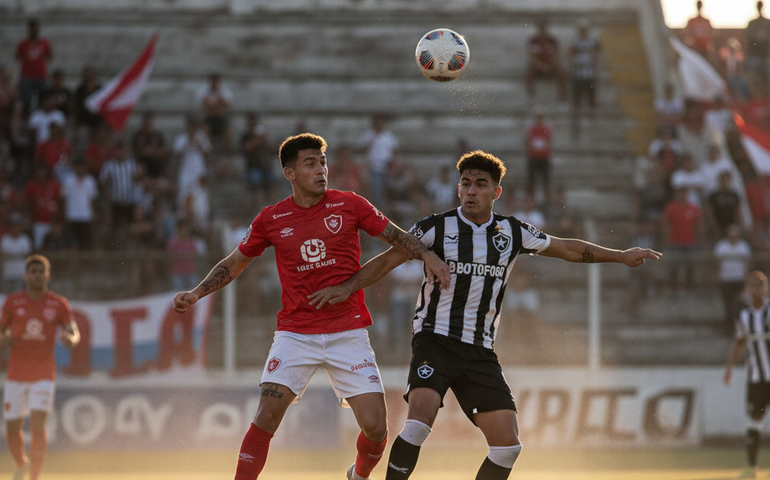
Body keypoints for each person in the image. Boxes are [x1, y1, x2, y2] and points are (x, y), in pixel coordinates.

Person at [308, 150, 660, 480]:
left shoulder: (513, 232)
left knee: (507, 446)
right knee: (418, 423)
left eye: (480, 185)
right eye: (465, 184)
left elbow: (566, 247)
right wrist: (347, 287)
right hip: (435, 338)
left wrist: (620, 255)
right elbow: (387, 260)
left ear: (497, 192)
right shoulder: (434, 228)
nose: (470, 191)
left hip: (480, 350)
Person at [172, 133, 450, 480]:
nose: (321, 170)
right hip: (295, 333)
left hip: (347, 331)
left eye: (323, 162)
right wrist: (197, 293)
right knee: (266, 416)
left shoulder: (350, 204)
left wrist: (426, 255)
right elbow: (234, 263)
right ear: (290, 173)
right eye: (310, 163)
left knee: (377, 428)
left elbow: (396, 237)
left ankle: (358, 476)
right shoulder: (271, 219)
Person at [0, 254, 80, 480]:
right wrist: (3, 340)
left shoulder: (58, 303)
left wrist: (70, 339)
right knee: (12, 429)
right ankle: (20, 463)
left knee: (38, 424)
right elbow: (1, 331)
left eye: (40, 272)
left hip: (43, 373)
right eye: (32, 272)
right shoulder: (12, 302)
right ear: (26, 276)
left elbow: (72, 330)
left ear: (47, 275)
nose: (36, 276)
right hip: (16, 373)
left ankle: (34, 477)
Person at [724, 271, 770, 479]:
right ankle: (752, 468)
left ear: (766, 288)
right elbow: (739, 342)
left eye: (759, 285)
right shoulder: (744, 316)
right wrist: (729, 368)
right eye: (752, 286)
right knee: (754, 420)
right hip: (756, 378)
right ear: (747, 290)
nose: (756, 290)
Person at [714, 225, 752, 336]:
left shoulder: (744, 246)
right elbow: (716, 263)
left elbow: (748, 263)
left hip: (739, 279)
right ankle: (728, 329)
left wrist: (746, 278)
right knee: (728, 305)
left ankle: (741, 329)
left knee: (741, 305)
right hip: (726, 279)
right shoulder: (721, 246)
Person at [15, 19, 53, 113]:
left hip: (41, 76)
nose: (33, 30)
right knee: (26, 101)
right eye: (31, 28)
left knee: (43, 100)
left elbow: (50, 56)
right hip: (26, 76)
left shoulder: (44, 43)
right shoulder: (23, 43)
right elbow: (17, 56)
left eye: (35, 28)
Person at [526, 21, 567, 101]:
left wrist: (549, 65)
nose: (542, 32)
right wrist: (541, 66)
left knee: (561, 72)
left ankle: (562, 93)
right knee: (530, 72)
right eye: (541, 29)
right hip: (538, 66)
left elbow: (556, 54)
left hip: (550, 65)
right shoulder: (533, 40)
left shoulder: (552, 40)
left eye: (544, 29)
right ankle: (531, 92)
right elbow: (532, 57)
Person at [746, 1, 770, 95]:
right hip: (754, 54)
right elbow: (746, 38)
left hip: (764, 55)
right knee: (752, 79)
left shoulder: (767, 22)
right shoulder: (752, 23)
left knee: (766, 79)